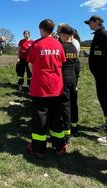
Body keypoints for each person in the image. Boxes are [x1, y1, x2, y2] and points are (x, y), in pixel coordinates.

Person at [26, 19, 67, 158]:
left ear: (42, 28)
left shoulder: (36, 44)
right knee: (56, 117)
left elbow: (31, 65)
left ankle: (38, 150)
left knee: (39, 118)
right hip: (56, 86)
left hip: (40, 87)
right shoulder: (59, 45)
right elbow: (61, 62)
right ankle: (59, 147)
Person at [84, 15, 107, 145]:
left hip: (106, 77)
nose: (88, 25)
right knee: (104, 102)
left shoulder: (105, 35)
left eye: (89, 22)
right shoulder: (98, 34)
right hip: (100, 76)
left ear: (96, 22)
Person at [57, 24, 79, 143]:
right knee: (73, 102)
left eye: (60, 34)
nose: (59, 36)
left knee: (65, 105)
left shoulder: (61, 47)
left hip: (64, 78)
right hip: (73, 78)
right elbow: (77, 65)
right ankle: (75, 127)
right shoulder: (73, 47)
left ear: (64, 34)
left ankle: (66, 132)